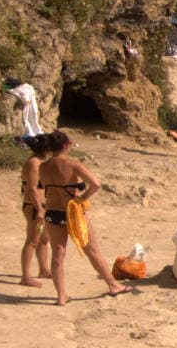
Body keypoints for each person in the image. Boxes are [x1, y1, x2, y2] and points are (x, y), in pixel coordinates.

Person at [37, 131, 131, 305]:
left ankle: (61, 295)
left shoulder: (43, 166)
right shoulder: (73, 164)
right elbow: (96, 184)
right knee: (92, 250)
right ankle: (113, 285)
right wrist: (83, 197)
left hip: (52, 212)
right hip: (72, 212)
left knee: (58, 254)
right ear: (67, 145)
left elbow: (43, 188)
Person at [18, 135, 49, 287]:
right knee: (32, 240)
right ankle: (26, 276)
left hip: (41, 207)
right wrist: (40, 210)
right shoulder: (34, 164)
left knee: (44, 239)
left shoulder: (39, 162)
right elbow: (31, 189)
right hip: (35, 208)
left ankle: (44, 269)